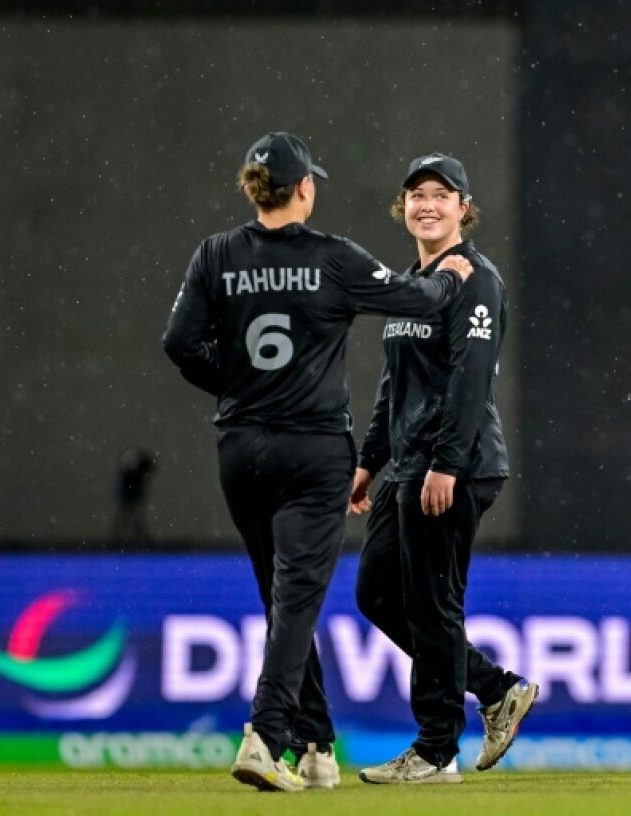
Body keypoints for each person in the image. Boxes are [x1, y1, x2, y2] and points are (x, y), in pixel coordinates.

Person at [162, 133, 472, 793]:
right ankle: (265, 736)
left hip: (241, 446)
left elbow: (179, 342)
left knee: (279, 598)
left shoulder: (216, 255)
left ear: (254, 188)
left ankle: (315, 742)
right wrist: (450, 275)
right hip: (312, 449)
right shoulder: (332, 259)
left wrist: (239, 386)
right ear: (303, 188)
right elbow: (417, 301)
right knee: (298, 599)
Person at [349, 153, 536, 785]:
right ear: (402, 208)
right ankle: (495, 687)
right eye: (416, 195)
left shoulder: (475, 278)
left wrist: (446, 462)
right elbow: (393, 383)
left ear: (464, 208)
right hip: (408, 465)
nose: (426, 204)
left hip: (454, 466)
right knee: (376, 593)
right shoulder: (416, 281)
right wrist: (371, 460)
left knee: (432, 604)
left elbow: (470, 377)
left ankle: (434, 751)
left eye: (441, 194)